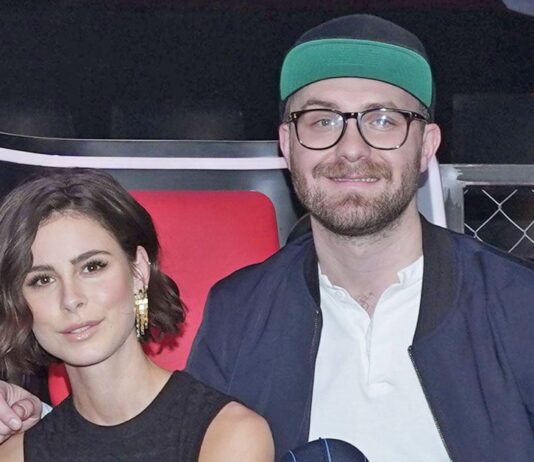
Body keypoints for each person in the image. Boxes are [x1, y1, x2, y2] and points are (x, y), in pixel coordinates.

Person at [2, 13, 534, 462]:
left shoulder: (518, 307)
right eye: (321, 121)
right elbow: (166, 436)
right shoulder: (240, 311)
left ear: (426, 145)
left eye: (382, 120)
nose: (351, 148)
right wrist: (37, 423)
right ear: (287, 143)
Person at [0, 169, 273, 461]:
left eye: (92, 267)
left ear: (138, 271)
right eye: (42, 280)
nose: (71, 299)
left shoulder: (229, 434)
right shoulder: (15, 454)